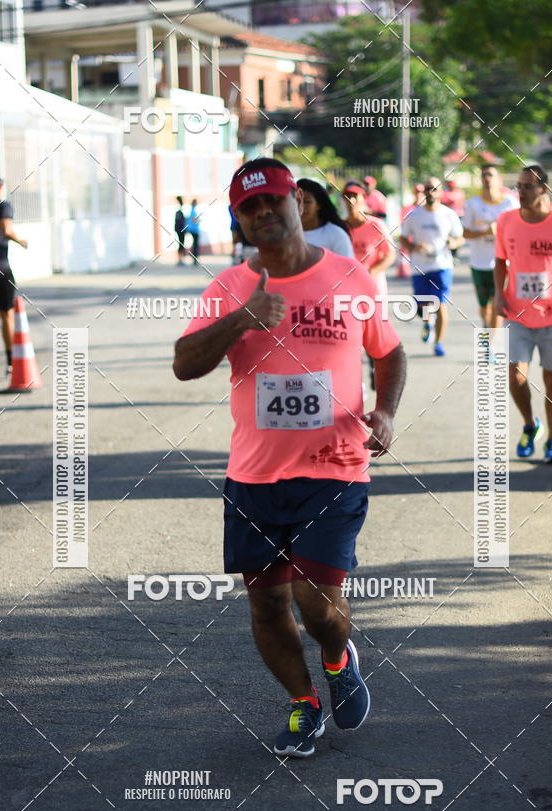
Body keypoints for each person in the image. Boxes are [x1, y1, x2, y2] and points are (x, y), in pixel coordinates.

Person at [173, 158, 406, 758]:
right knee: (268, 603)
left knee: (314, 602)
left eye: (272, 201)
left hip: (334, 464)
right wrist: (244, 318)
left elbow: (390, 352)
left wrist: (385, 411)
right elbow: (185, 363)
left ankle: (337, 655)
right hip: (253, 475)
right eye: (249, 209)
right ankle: (303, 705)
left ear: (296, 202)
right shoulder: (227, 287)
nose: (263, 214)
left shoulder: (351, 277)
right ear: (241, 220)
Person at [494, 164, 552, 464]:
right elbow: (499, 261)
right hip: (516, 313)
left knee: (551, 380)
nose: (521, 192)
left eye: (527, 187)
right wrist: (498, 293)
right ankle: (531, 425)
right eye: (518, 186)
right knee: (515, 376)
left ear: (543, 188)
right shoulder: (506, 220)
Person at [400, 177, 464, 356]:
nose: (431, 192)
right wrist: (414, 247)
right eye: (428, 188)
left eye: (435, 189)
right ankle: (428, 322)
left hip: (442, 266)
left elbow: (460, 237)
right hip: (419, 267)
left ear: (441, 192)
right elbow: (403, 237)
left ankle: (439, 343)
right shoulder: (414, 215)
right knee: (423, 305)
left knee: (441, 305)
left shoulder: (448, 214)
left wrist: (453, 243)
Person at [0, 171, 28, 374]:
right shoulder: (3, 206)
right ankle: (11, 363)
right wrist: (21, 241)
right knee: (6, 314)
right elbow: (6, 229)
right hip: (0, 267)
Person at [462, 165, 519, 326]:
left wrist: (502, 233)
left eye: (491, 175)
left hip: (502, 263)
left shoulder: (510, 202)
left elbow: (520, 229)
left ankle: (491, 345)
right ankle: (487, 329)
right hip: (479, 263)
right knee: (484, 308)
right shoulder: (472, 204)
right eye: (484, 175)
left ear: (498, 179)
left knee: (497, 304)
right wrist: (486, 232)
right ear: (481, 180)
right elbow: (465, 233)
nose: (487, 179)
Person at [342, 181, 395, 293]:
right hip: (347, 290)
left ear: (364, 199)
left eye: (355, 196)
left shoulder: (376, 225)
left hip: (373, 288)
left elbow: (390, 254)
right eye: (347, 197)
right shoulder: (339, 227)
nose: (351, 201)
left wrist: (372, 271)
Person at [297, 177, 353, 258]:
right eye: (297, 201)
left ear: (319, 205)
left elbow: (348, 268)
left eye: (307, 202)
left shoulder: (336, 234)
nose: (301, 206)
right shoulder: (283, 233)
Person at [187, 199, 200, 264]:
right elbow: (194, 220)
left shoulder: (191, 210)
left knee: (194, 244)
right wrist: (199, 221)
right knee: (195, 245)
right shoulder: (193, 211)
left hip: (192, 229)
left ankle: (194, 258)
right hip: (195, 230)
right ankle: (195, 259)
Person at [174, 196, 186, 266]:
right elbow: (179, 222)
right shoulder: (179, 212)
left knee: (181, 244)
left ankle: (181, 259)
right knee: (181, 244)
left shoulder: (180, 211)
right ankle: (180, 259)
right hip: (180, 230)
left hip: (180, 230)